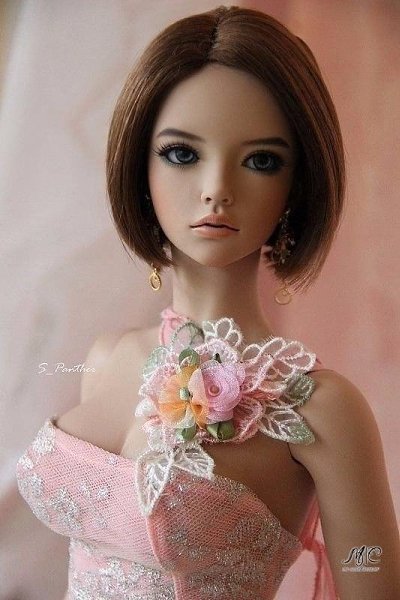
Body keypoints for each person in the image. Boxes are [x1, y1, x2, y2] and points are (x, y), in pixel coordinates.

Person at [16, 5, 400, 599]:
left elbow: (369, 571)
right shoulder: (106, 358)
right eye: (181, 153)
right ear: (139, 166)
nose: (217, 189)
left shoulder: (322, 409)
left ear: (297, 185)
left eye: (261, 161)